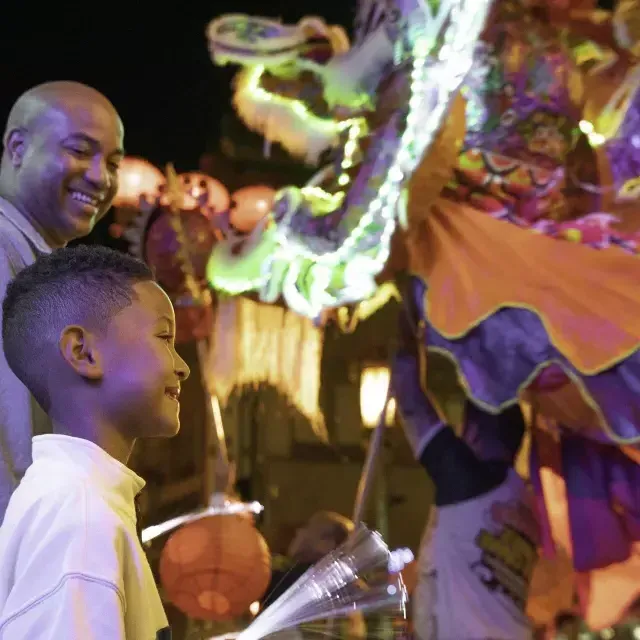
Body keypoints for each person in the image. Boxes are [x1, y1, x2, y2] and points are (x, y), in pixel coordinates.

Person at [0, 245, 188, 639]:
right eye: (164, 337)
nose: (182, 366)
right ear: (83, 353)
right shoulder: (81, 517)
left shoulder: (75, 500)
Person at [0, 81, 124, 521]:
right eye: (79, 151)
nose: (100, 177)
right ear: (18, 147)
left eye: (112, 162)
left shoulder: (40, 268)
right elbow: (12, 443)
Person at [392, 303, 539, 640]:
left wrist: (407, 315)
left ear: (469, 432)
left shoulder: (470, 485)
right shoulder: (522, 499)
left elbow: (410, 399)